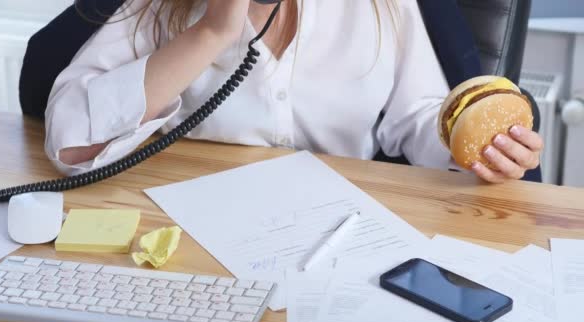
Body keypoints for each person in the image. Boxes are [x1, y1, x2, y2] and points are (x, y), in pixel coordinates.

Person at [44, 0, 543, 183]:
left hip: (348, 231)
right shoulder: (156, 8)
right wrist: (213, 32)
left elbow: (416, 118)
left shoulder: (383, 7)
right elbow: (73, 145)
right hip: (196, 229)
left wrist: (486, 154)